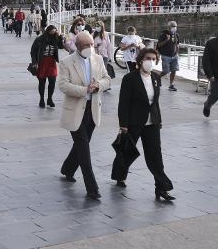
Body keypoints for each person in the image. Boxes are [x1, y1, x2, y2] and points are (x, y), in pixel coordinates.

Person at [111, 48, 175, 200]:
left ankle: (161, 188)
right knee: (126, 152)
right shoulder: (129, 78)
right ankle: (119, 176)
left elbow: (155, 103)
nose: (151, 61)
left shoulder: (155, 78)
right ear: (140, 60)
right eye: (148, 58)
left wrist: (158, 120)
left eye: (154, 59)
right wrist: (123, 124)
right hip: (133, 122)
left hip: (152, 123)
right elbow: (123, 104)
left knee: (155, 157)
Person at [59, 31, 111, 200]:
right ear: (77, 46)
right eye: (85, 46)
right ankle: (92, 188)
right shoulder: (67, 62)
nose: (89, 48)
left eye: (91, 45)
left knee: (83, 143)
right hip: (75, 110)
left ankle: (67, 168)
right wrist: (84, 90)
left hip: (93, 108)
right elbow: (63, 85)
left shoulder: (98, 59)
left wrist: (98, 86)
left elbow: (107, 79)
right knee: (83, 147)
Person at [30, 25, 65, 108]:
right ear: (48, 31)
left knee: (52, 82)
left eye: (54, 31)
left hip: (52, 62)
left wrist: (60, 37)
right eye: (52, 31)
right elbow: (33, 50)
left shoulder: (55, 38)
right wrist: (34, 62)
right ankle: (41, 99)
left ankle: (50, 99)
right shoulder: (40, 39)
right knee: (42, 82)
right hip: (42, 62)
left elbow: (61, 46)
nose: (53, 33)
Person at [157, 21, 180, 91]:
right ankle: (156, 78)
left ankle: (171, 85)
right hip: (165, 56)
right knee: (165, 71)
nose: (174, 28)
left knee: (174, 70)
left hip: (174, 56)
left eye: (175, 27)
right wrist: (167, 39)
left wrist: (177, 53)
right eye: (172, 27)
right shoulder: (163, 34)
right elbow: (159, 45)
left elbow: (177, 45)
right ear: (169, 27)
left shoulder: (176, 35)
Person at [202, 35, 218, 117]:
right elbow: (206, 60)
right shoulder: (211, 43)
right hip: (215, 75)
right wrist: (210, 75)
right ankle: (207, 105)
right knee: (215, 95)